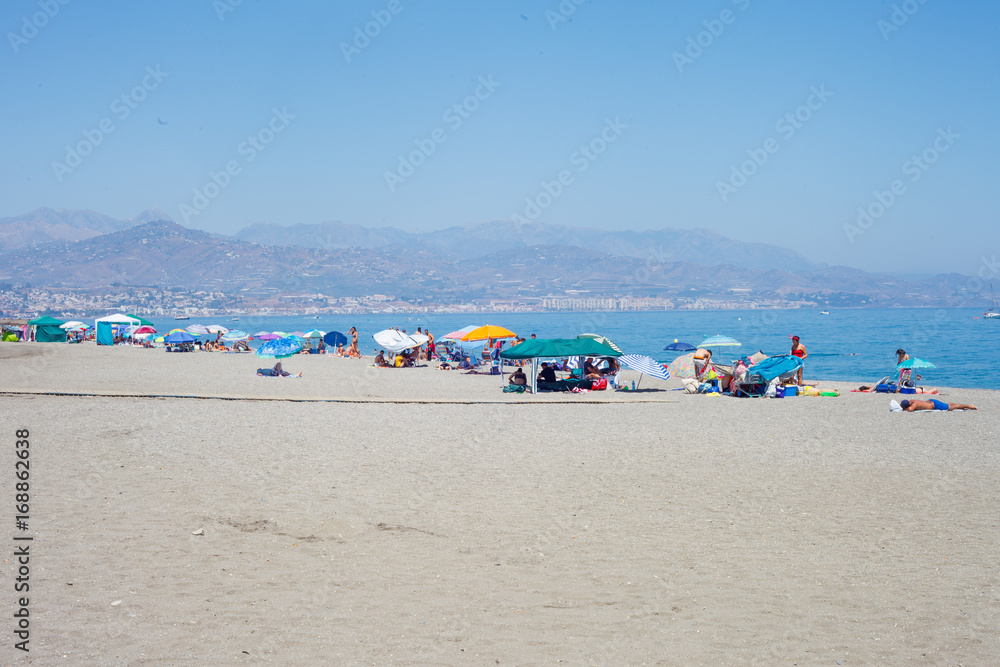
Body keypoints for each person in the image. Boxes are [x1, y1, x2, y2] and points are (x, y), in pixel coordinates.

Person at [900, 399, 976, 411]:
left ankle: (969, 406)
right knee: (949, 405)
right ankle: (963, 405)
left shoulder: (914, 404)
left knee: (952, 407)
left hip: (935, 405)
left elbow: (910, 410)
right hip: (932, 401)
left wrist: (903, 409)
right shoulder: (912, 401)